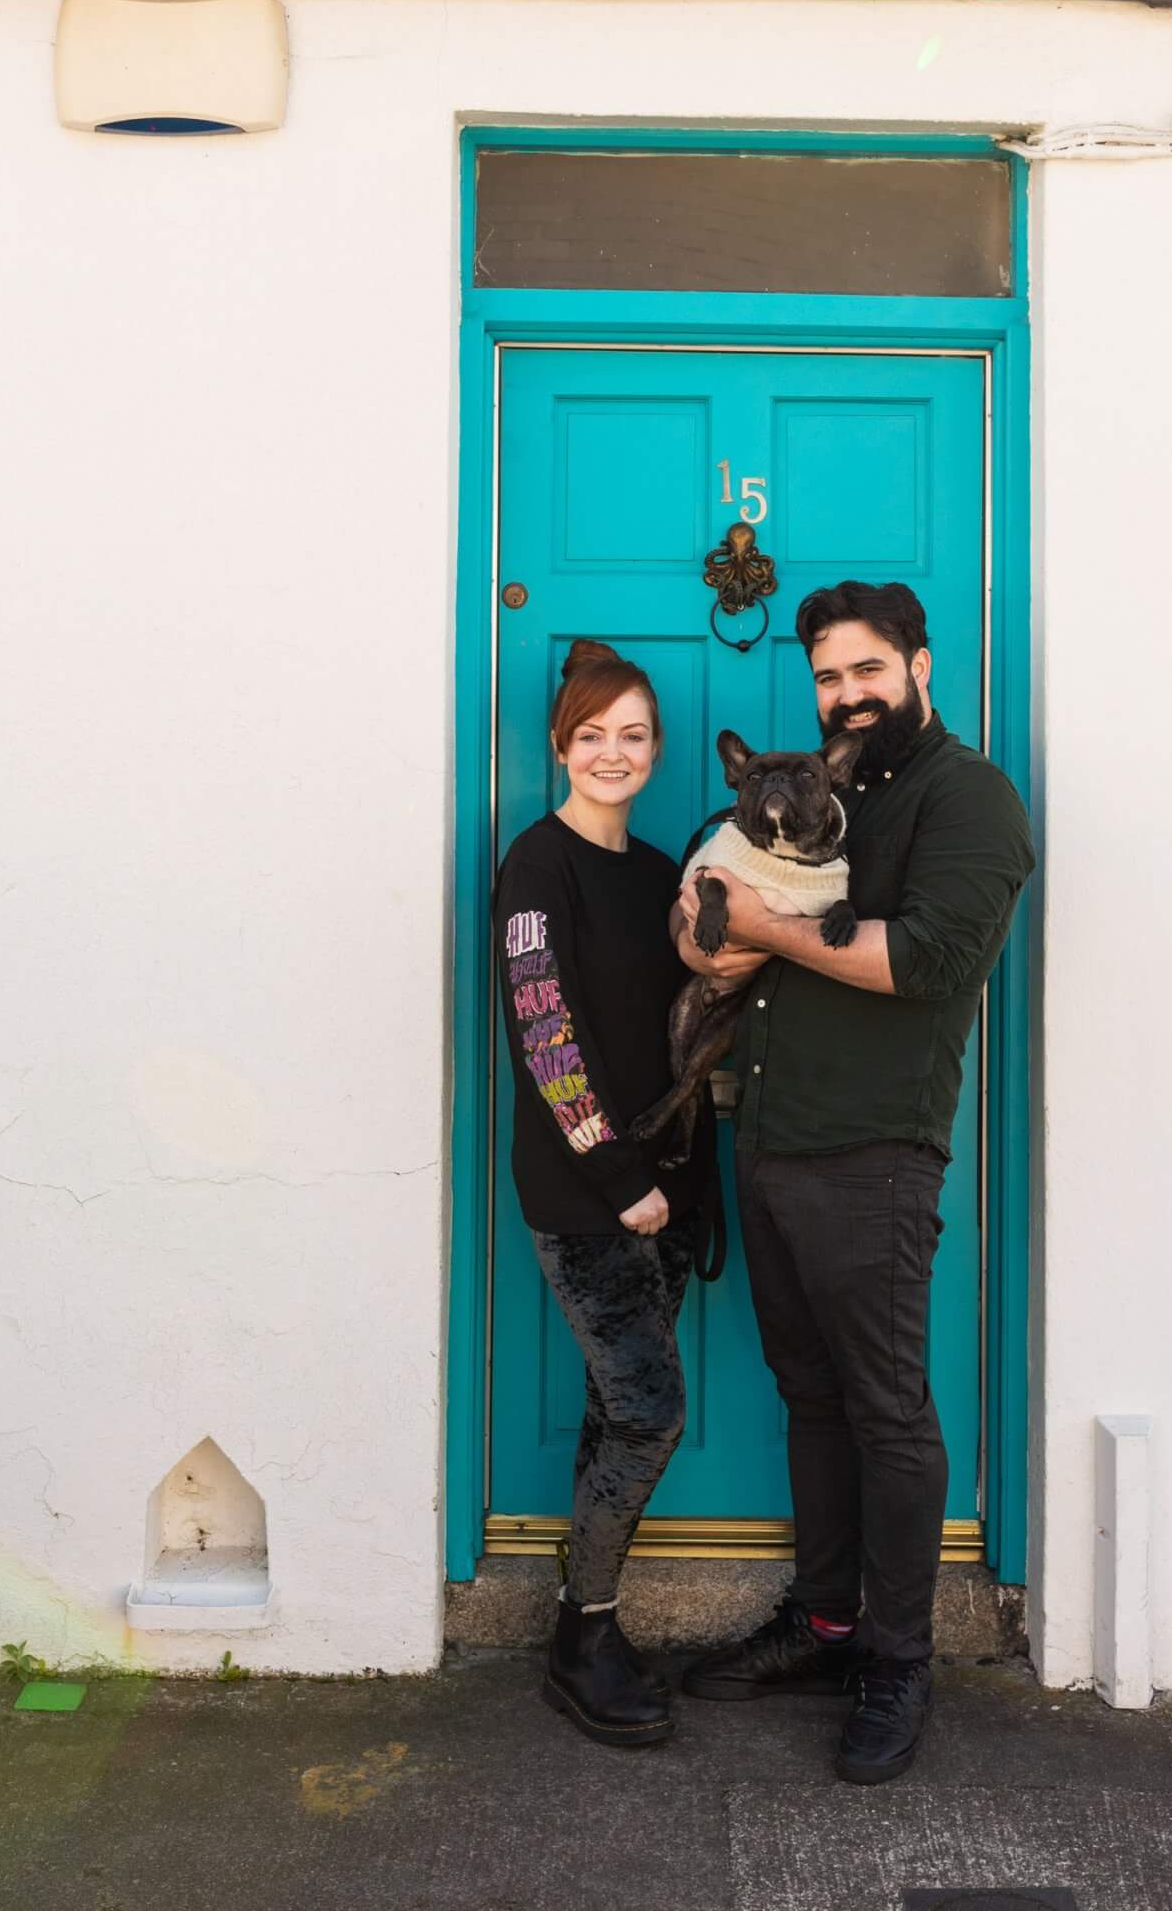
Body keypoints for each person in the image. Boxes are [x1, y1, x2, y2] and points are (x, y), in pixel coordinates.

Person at [675, 581, 1034, 1786]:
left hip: (873, 1147)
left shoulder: (967, 797)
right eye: (829, 675)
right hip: (770, 1133)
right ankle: (824, 1624)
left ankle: (896, 1658)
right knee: (810, 1394)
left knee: (884, 1407)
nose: (847, 693)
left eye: (867, 668)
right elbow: (702, 920)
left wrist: (759, 925)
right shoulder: (814, 786)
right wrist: (703, 920)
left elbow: (929, 959)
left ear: (918, 664)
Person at [494, 638, 715, 1747]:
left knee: (609, 1409)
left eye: (634, 734)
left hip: (665, 1198)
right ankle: (584, 1638)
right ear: (560, 745)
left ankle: (580, 1626)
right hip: (590, 1201)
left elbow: (683, 1040)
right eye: (594, 736)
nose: (614, 753)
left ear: (656, 746)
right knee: (649, 1410)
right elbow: (546, 1033)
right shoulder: (537, 868)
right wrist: (619, 1176)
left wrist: (691, 1180)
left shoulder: (658, 870)